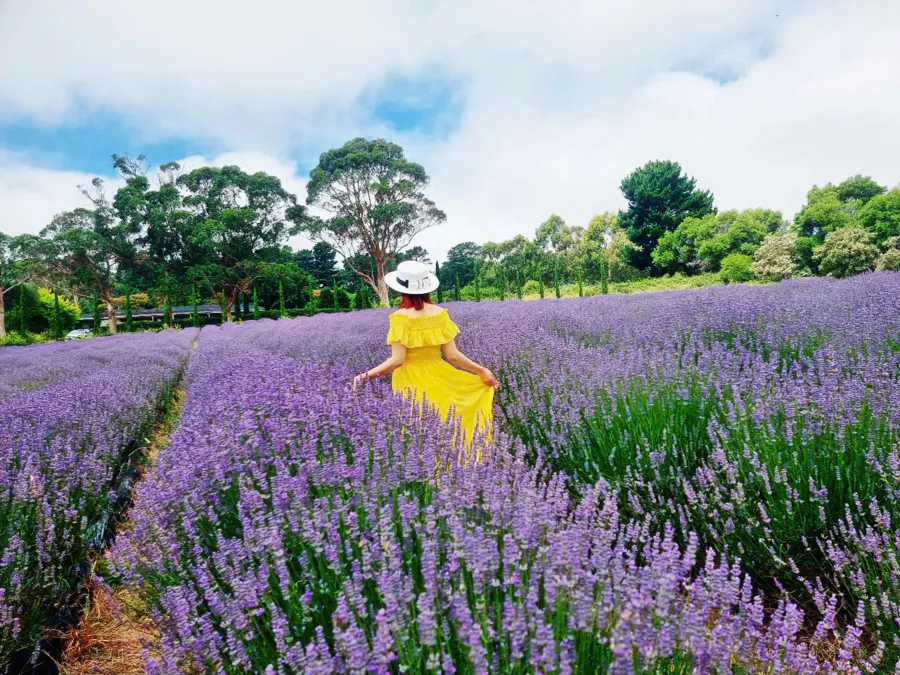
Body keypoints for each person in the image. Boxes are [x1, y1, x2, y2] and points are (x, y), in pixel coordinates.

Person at [353, 260, 499, 455]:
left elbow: (397, 360)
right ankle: (461, 468)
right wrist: (481, 370)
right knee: (449, 423)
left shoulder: (400, 318)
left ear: (401, 290)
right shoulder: (440, 314)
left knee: (419, 431)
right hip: (440, 375)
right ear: (426, 288)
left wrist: (365, 376)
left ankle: (428, 476)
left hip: (410, 382)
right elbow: (453, 356)